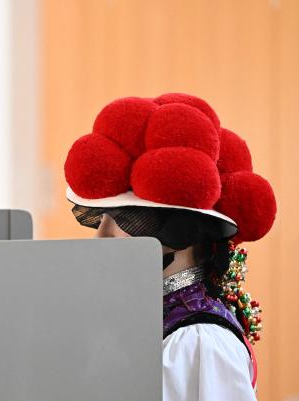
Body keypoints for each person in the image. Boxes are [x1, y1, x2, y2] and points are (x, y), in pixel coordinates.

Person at [63, 93, 277, 400]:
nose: (102, 235)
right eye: (100, 218)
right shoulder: (143, 318)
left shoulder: (199, 341)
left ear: (181, 230)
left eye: (127, 219)